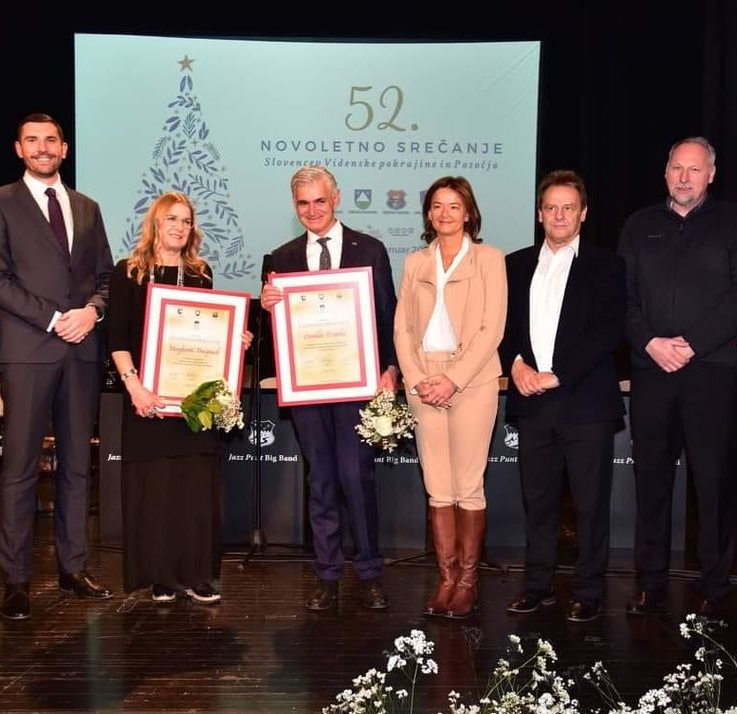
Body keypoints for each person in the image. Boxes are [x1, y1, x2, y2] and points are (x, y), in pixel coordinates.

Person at [0, 113, 115, 620]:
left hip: (81, 352)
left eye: (51, 140)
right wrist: (55, 319)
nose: (42, 148)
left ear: (64, 148)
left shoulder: (87, 207)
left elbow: (105, 277)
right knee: (19, 469)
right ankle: (15, 580)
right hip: (28, 351)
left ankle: (73, 569)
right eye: (32, 140)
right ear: (18, 149)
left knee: (77, 466)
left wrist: (92, 311)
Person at [618, 137, 737, 618]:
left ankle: (714, 586)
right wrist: (651, 343)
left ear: (711, 175)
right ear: (665, 173)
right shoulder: (639, 225)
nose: (684, 177)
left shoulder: (736, 223)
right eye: (677, 168)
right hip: (652, 370)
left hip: (712, 372)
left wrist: (692, 344)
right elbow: (622, 297)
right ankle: (650, 584)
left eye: (694, 169)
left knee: (713, 482)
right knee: (651, 480)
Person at [259, 166, 398, 611]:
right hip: (308, 388)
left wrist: (391, 368)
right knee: (320, 480)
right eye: (303, 203)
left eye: (320, 200)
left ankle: (370, 573)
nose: (312, 210)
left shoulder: (369, 249)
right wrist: (266, 306)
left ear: (336, 198)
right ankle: (327, 574)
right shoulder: (280, 258)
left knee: (357, 478)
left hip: (357, 385)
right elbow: (277, 332)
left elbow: (387, 314)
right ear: (294, 205)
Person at [107, 192, 252, 605]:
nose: (180, 227)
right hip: (148, 399)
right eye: (172, 219)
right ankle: (160, 577)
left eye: (187, 221)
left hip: (193, 404)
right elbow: (117, 338)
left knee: (194, 489)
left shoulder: (201, 274)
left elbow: (207, 335)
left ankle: (197, 575)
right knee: (155, 490)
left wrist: (234, 339)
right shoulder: (129, 272)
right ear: (155, 222)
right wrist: (135, 387)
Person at [500, 170, 626, 623]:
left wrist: (558, 375)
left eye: (568, 207)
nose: (559, 215)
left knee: (590, 504)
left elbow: (609, 330)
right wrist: (516, 364)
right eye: (551, 207)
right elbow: (502, 326)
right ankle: (537, 586)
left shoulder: (607, 264)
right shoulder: (514, 264)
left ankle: (589, 591)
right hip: (531, 401)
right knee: (537, 502)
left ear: (583, 213)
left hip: (585, 403)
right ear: (539, 214)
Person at [394, 176, 507, 619]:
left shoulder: (489, 259)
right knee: (438, 485)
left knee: (468, 485)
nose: (445, 214)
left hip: (472, 381)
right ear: (428, 213)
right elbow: (403, 328)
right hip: (424, 381)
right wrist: (418, 377)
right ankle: (445, 579)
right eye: (437, 206)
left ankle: (467, 582)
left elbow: (492, 328)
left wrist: (453, 379)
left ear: (469, 213)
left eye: (454, 206)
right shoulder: (415, 262)